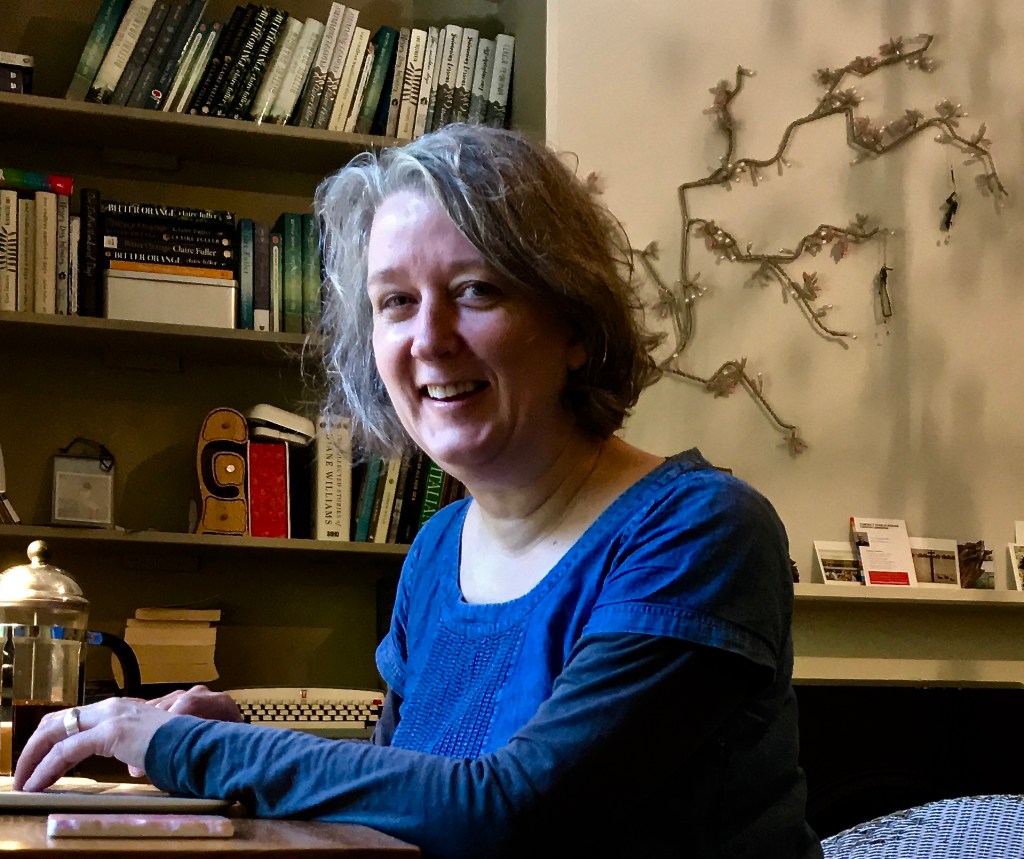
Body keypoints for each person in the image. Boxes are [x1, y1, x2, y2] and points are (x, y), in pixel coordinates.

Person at [14, 124, 822, 858]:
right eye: (396, 302)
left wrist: (179, 745)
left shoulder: (702, 528)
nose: (429, 339)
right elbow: (413, 797)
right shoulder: (439, 547)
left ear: (574, 325)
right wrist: (248, 739)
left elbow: (513, 811)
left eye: (477, 290)